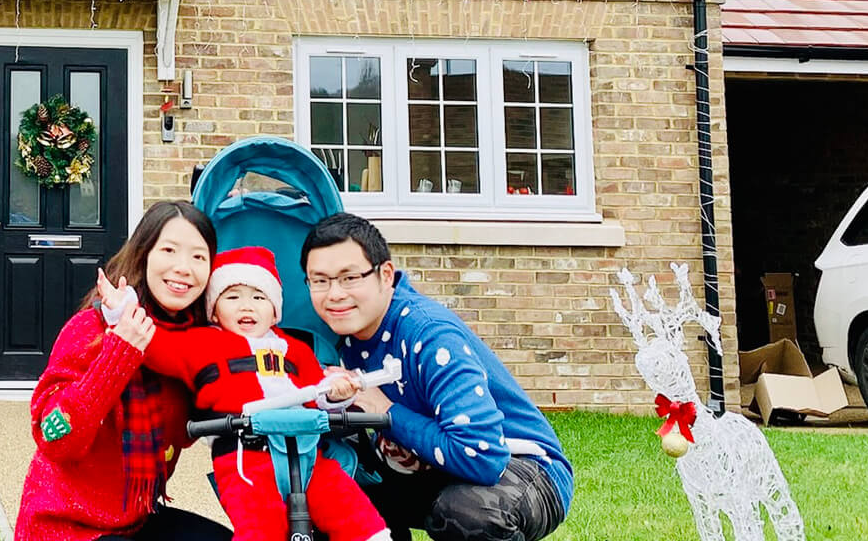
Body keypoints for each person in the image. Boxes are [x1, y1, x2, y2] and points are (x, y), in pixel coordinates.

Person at [302, 213, 572, 541]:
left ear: (385, 275)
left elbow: (483, 458)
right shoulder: (336, 337)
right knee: (323, 494)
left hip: (520, 468)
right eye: (320, 280)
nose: (334, 295)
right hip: (427, 469)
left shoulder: (429, 335)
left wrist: (388, 413)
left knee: (467, 514)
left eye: (349, 278)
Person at [98, 246, 391, 541]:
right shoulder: (202, 344)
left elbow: (318, 392)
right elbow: (155, 346)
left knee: (351, 509)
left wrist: (338, 393)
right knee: (260, 525)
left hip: (305, 452)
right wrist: (122, 310)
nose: (247, 306)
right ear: (214, 309)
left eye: (259, 297)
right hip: (244, 456)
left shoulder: (296, 349)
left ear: (274, 309)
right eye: (233, 297)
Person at [14, 200, 232, 541]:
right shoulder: (92, 328)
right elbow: (53, 437)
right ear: (144, 255)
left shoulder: (192, 343)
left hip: (136, 521)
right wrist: (120, 353)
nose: (183, 268)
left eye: (198, 256)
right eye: (169, 250)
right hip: (63, 527)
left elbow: (188, 432)